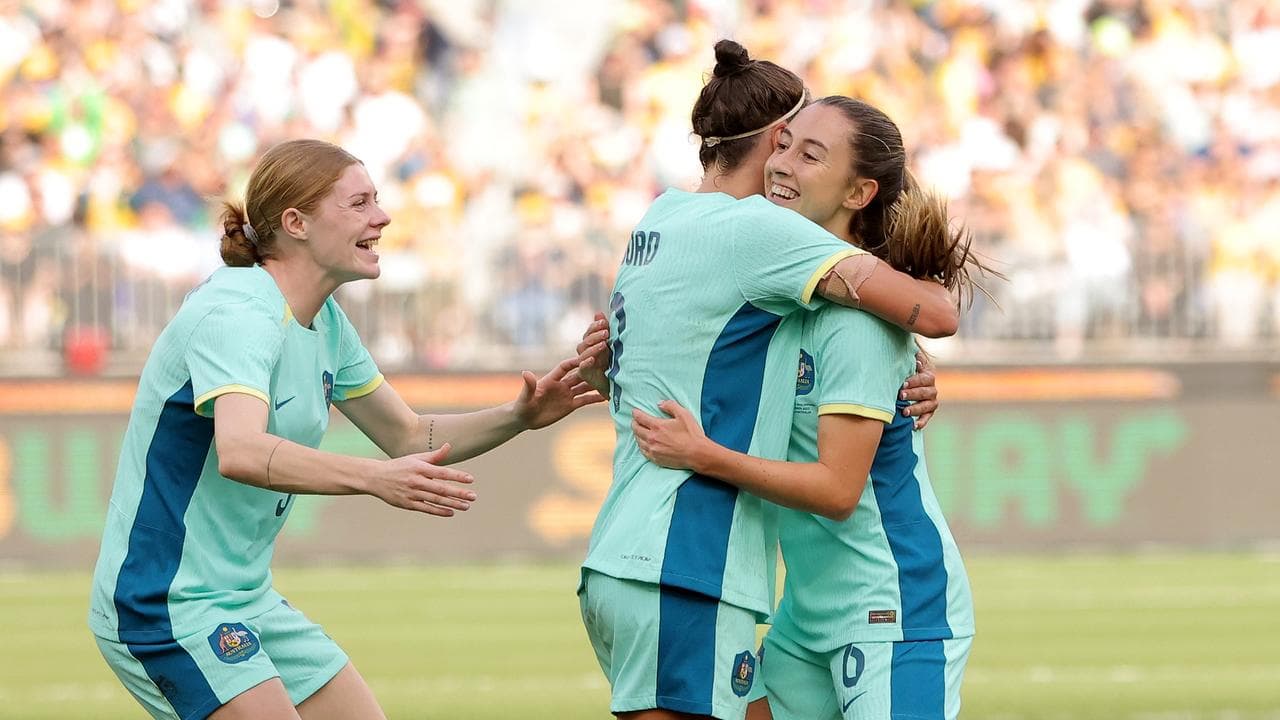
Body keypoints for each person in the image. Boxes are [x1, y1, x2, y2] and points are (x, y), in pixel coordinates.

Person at [87, 138, 603, 720]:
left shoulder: (324, 318)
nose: (381, 217)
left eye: (377, 200)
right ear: (295, 222)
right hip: (166, 600)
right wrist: (374, 479)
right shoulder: (238, 310)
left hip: (244, 598)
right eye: (359, 204)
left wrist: (520, 417)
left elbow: (408, 436)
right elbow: (241, 450)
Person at [575, 41, 952, 720]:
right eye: (792, 145)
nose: (786, 165)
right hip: (684, 563)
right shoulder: (759, 243)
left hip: (633, 560)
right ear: (773, 138)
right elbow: (935, 311)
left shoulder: (662, 218)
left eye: (812, 154)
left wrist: (909, 367)